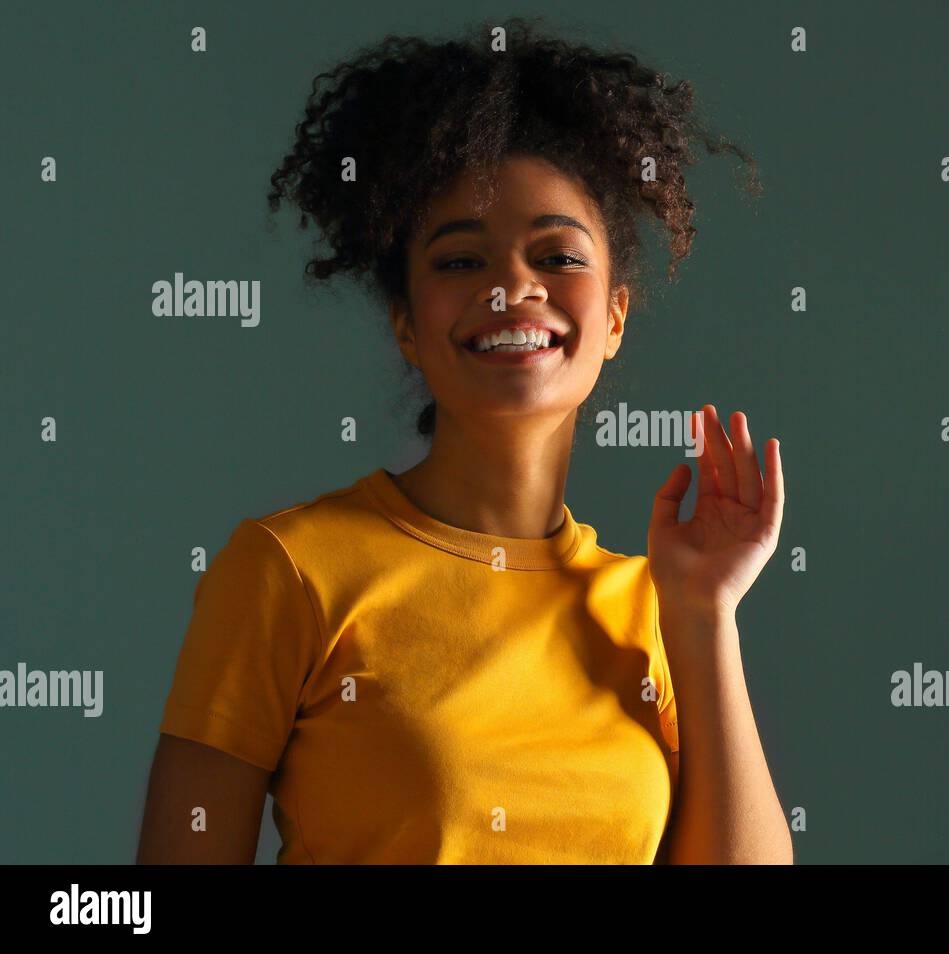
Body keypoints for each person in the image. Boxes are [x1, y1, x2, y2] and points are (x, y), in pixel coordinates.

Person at [137, 16, 790, 864]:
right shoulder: (289, 570)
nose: (513, 286)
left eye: (557, 256)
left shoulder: (654, 609)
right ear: (407, 326)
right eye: (458, 262)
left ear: (616, 317)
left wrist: (705, 616)